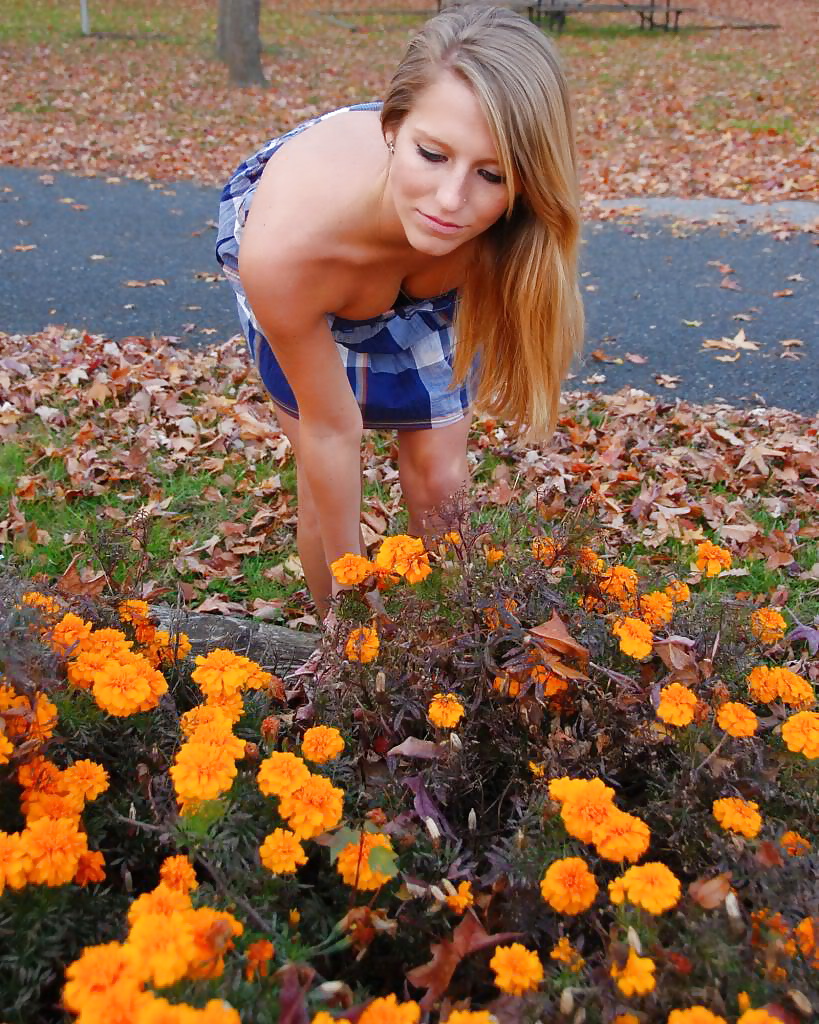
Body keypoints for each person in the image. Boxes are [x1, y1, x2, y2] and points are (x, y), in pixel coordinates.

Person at [216, 2, 584, 619]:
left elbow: (438, 467)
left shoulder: (503, 229)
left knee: (438, 477)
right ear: (393, 127)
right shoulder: (285, 256)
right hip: (317, 271)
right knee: (321, 486)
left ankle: (461, 635)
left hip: (428, 280)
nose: (450, 200)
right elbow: (333, 432)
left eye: (492, 174)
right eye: (432, 155)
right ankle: (341, 649)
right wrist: (361, 612)